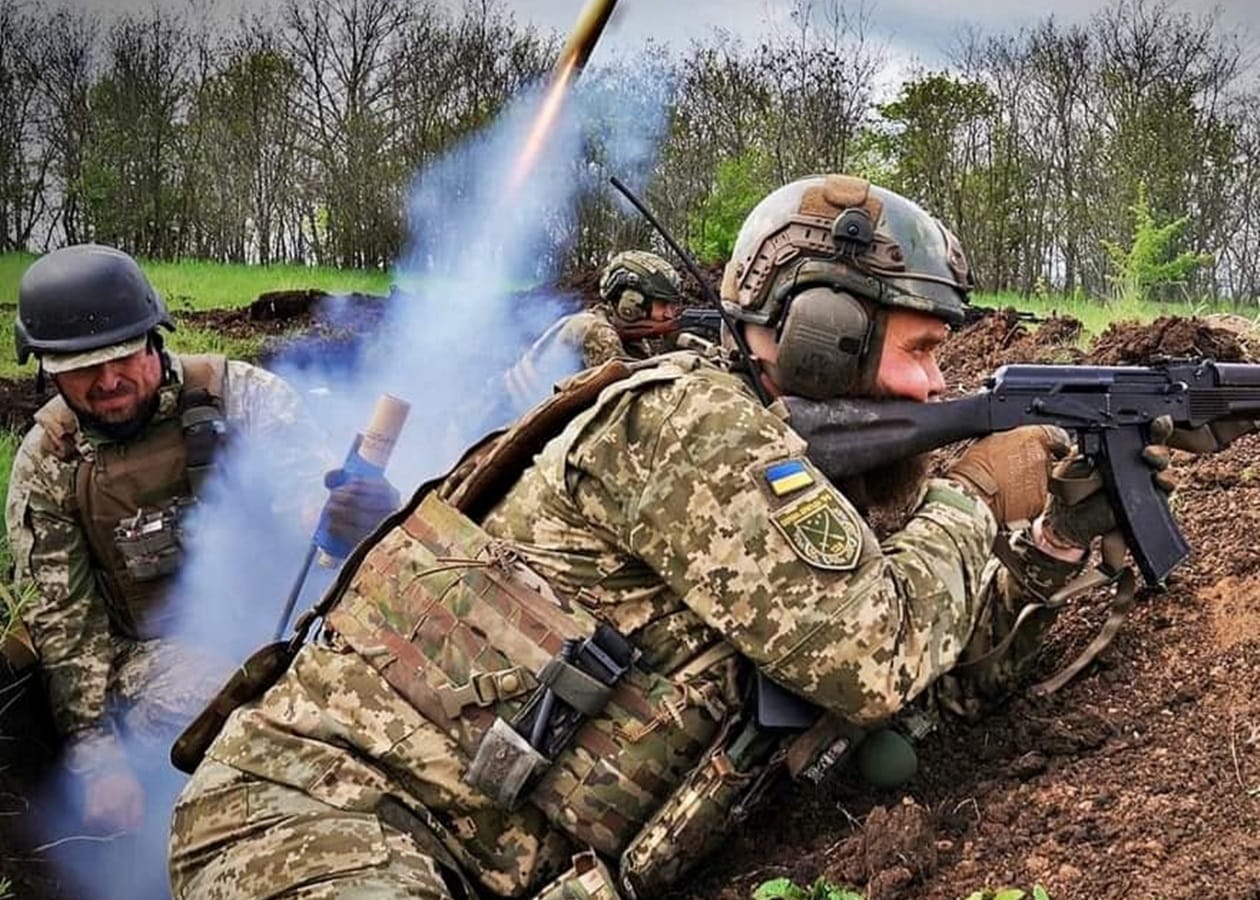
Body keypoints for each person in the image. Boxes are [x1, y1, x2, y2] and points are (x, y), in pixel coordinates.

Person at [166, 176, 1178, 899]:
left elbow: (933, 684)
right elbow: (875, 657)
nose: (935, 387)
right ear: (826, 331)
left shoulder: (833, 473)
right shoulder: (685, 421)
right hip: (328, 820)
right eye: (920, 352)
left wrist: (1049, 540)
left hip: (494, 855)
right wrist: (969, 495)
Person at [3, 243, 399, 838]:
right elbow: (69, 630)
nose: (108, 381)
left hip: (281, 617)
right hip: (149, 653)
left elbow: (310, 504)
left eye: (123, 358)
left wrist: (355, 518)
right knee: (227, 705)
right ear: (47, 369)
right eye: (83, 368)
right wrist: (97, 762)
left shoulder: (241, 398)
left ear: (153, 340)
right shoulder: (49, 465)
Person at [500, 250, 684, 411]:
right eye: (663, 304)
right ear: (631, 302)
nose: (669, 314)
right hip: (508, 429)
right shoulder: (594, 330)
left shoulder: (609, 326)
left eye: (672, 306)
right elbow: (635, 405)